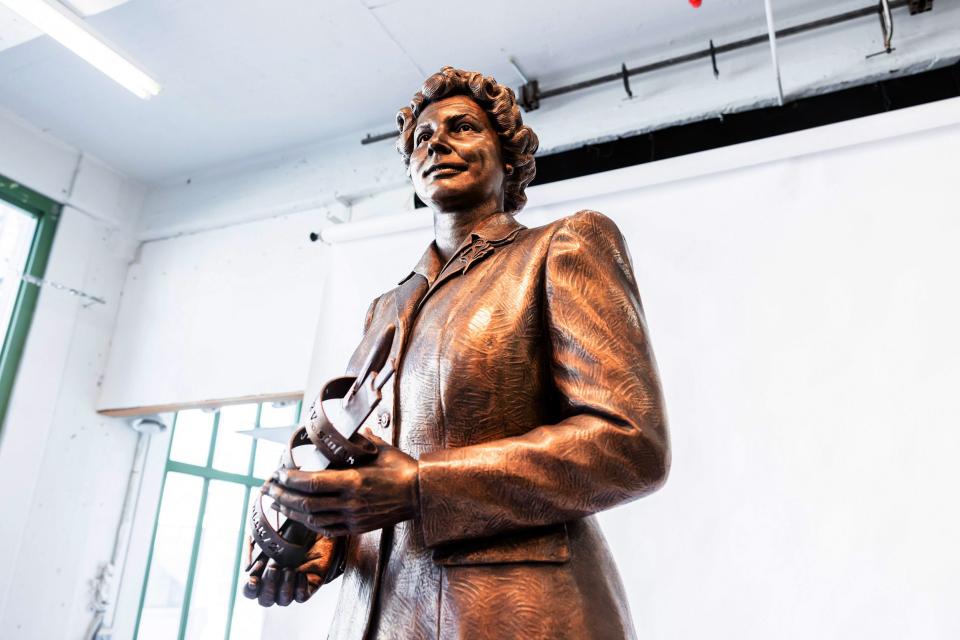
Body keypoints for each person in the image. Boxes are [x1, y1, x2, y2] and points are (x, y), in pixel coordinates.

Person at [245, 66, 670, 640]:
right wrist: (325, 536)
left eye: (462, 127)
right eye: (422, 137)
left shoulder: (561, 246)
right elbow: (363, 460)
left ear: (509, 158)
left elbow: (630, 444)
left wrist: (423, 484)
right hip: (379, 617)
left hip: (514, 616)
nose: (436, 142)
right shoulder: (383, 309)